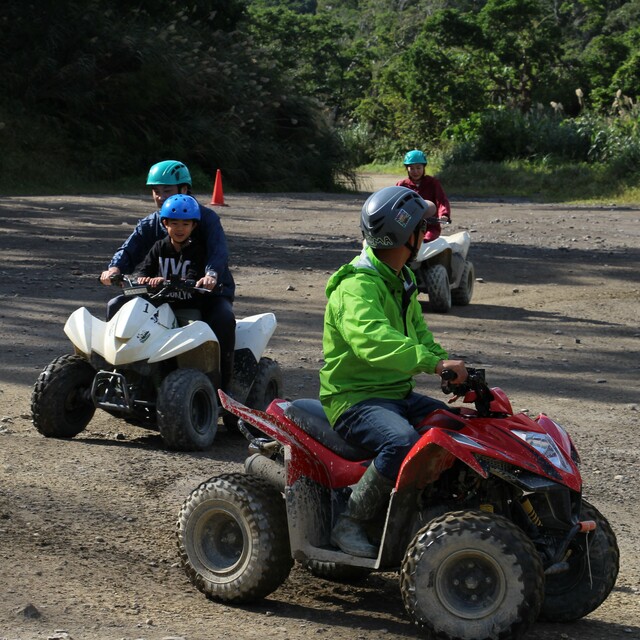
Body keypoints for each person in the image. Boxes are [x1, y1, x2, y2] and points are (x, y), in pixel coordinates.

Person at [319, 185, 467, 558]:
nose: (426, 234)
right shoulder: (355, 287)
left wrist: (447, 366)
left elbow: (420, 336)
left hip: (394, 392)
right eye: (422, 228)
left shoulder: (401, 280)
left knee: (456, 426)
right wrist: (431, 363)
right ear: (410, 236)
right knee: (400, 442)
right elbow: (374, 342)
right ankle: (350, 519)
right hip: (354, 399)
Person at [100, 160, 236, 393]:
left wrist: (211, 275)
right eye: (156, 191)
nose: (160, 197)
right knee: (116, 305)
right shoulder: (154, 222)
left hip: (204, 294)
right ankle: (118, 375)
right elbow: (130, 249)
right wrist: (114, 268)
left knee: (223, 319)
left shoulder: (206, 219)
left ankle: (224, 387)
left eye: (167, 190)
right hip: (162, 292)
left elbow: (218, 252)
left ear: (184, 190)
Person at [396, 149, 451, 242]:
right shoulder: (401, 185)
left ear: (423, 167)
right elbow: (395, 205)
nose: (415, 171)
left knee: (426, 240)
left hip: (430, 225)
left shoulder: (433, 183)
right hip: (407, 225)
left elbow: (441, 200)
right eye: (411, 168)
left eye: (418, 168)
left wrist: (444, 214)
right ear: (407, 169)